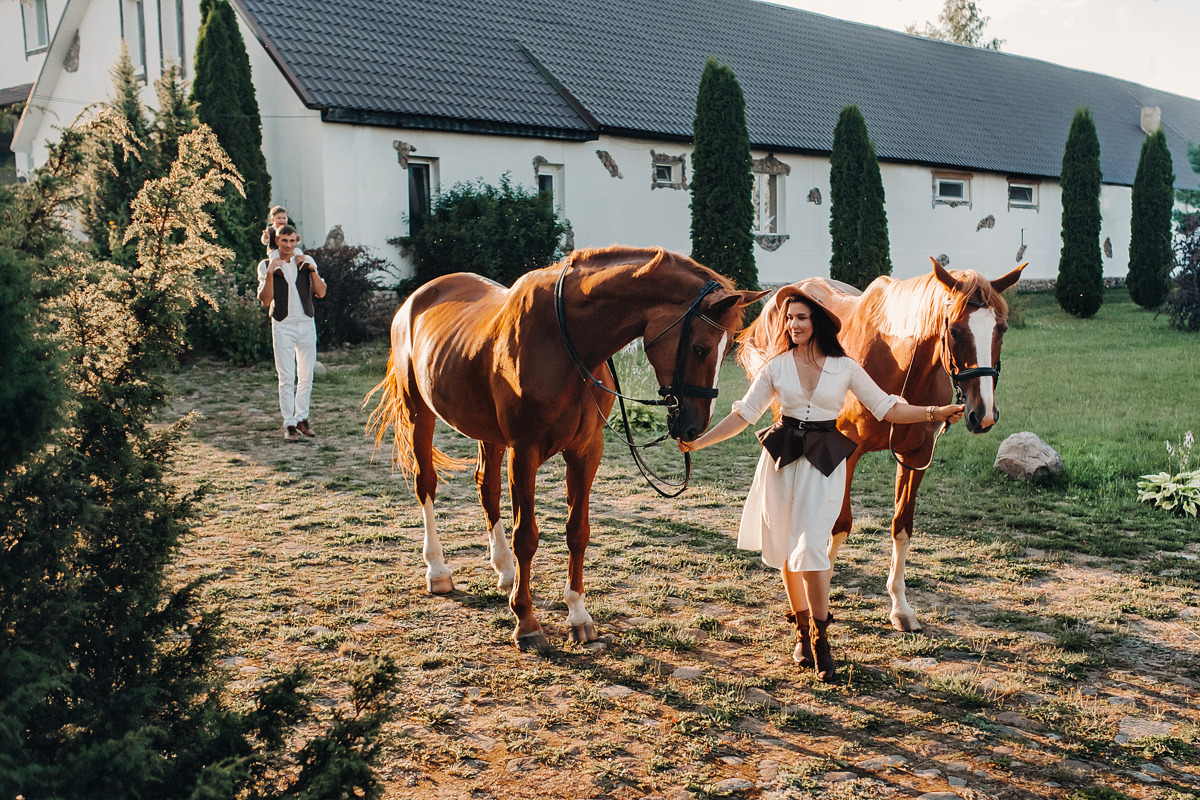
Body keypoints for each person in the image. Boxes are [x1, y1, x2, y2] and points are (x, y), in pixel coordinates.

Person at [678, 286, 963, 682]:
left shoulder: (845, 367)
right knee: (785, 548)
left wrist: (936, 410)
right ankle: (800, 630)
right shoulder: (776, 367)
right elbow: (744, 415)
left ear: (818, 323)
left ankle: (821, 637)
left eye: (801, 317)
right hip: (780, 461)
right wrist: (698, 442)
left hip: (824, 463)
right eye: (789, 318)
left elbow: (888, 407)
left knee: (812, 548)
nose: (793, 324)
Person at [257, 225, 326, 442]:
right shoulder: (266, 264)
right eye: (283, 241)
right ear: (276, 241)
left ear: (297, 240)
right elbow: (265, 300)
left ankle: (302, 418)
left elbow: (321, 292)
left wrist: (311, 269)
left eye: (291, 241)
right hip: (282, 323)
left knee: (306, 375)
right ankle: (289, 423)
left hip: (306, 322)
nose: (288, 245)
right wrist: (270, 273)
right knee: (286, 376)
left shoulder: (306, 261)